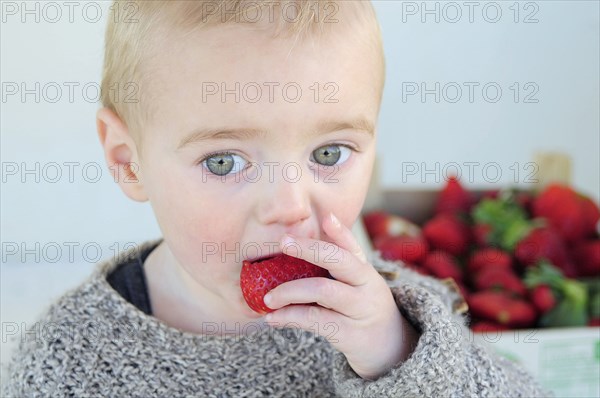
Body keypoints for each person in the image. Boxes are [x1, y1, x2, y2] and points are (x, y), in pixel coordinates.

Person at [3, 1, 550, 396]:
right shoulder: (70, 360)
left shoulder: (398, 317)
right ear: (128, 160)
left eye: (330, 154)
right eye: (224, 162)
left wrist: (396, 359)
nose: (290, 204)